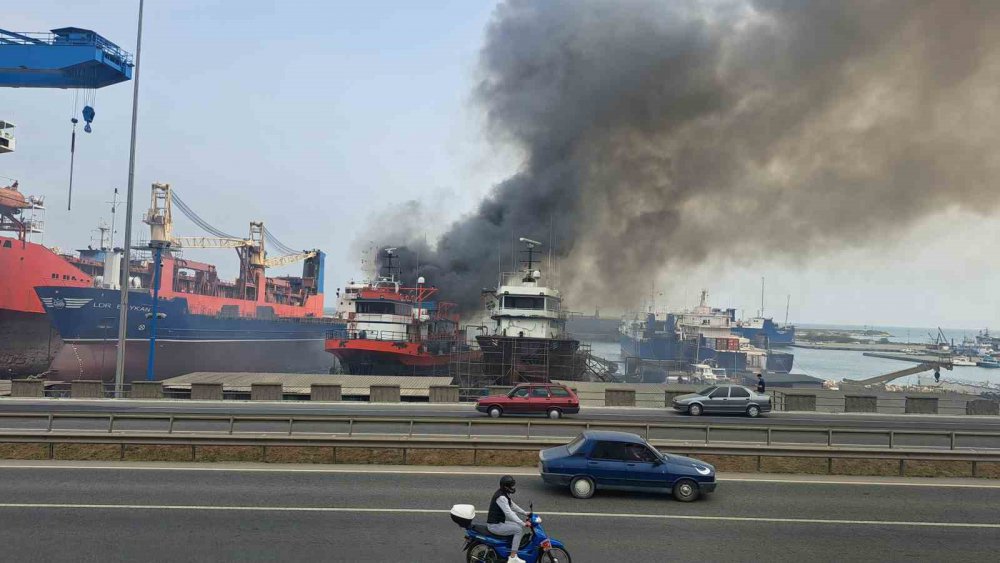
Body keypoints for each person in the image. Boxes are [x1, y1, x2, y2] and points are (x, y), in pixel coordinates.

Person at [487, 475, 530, 563]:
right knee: (518, 530)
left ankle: (510, 548)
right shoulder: (501, 497)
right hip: (494, 525)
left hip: (498, 522)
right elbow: (509, 513)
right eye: (511, 486)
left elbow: (512, 505)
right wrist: (523, 523)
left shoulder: (504, 494)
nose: (512, 487)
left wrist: (525, 513)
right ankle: (513, 557)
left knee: (516, 526)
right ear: (505, 486)